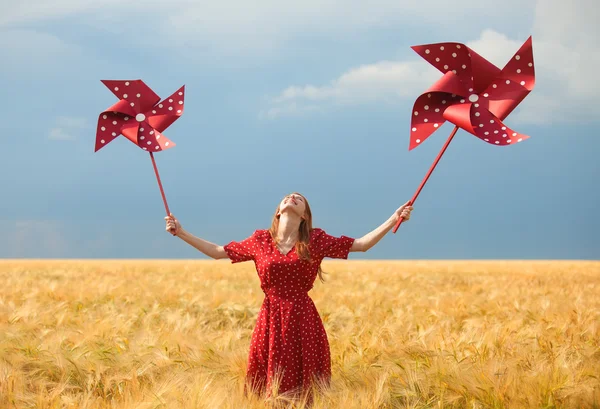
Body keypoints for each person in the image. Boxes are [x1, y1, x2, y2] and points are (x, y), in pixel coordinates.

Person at [164, 193, 413, 404]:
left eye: (299, 199)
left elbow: (361, 245)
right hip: (271, 319)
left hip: (303, 318)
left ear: (304, 215)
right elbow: (218, 252)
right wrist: (182, 232)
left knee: (305, 390)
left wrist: (394, 217)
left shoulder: (315, 239)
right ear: (278, 212)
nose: (292, 197)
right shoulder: (260, 240)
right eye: (287, 197)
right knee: (267, 386)